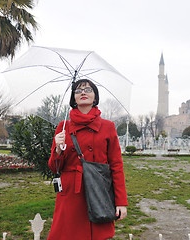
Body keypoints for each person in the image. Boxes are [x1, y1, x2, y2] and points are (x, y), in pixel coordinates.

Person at [47, 79, 128, 240]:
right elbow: (54, 168)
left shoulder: (108, 126)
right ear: (73, 99)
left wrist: (121, 202)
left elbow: (116, 166)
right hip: (70, 194)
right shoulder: (63, 127)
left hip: (97, 190)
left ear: (95, 97)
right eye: (78, 91)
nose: (83, 92)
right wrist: (58, 149)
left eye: (88, 89)